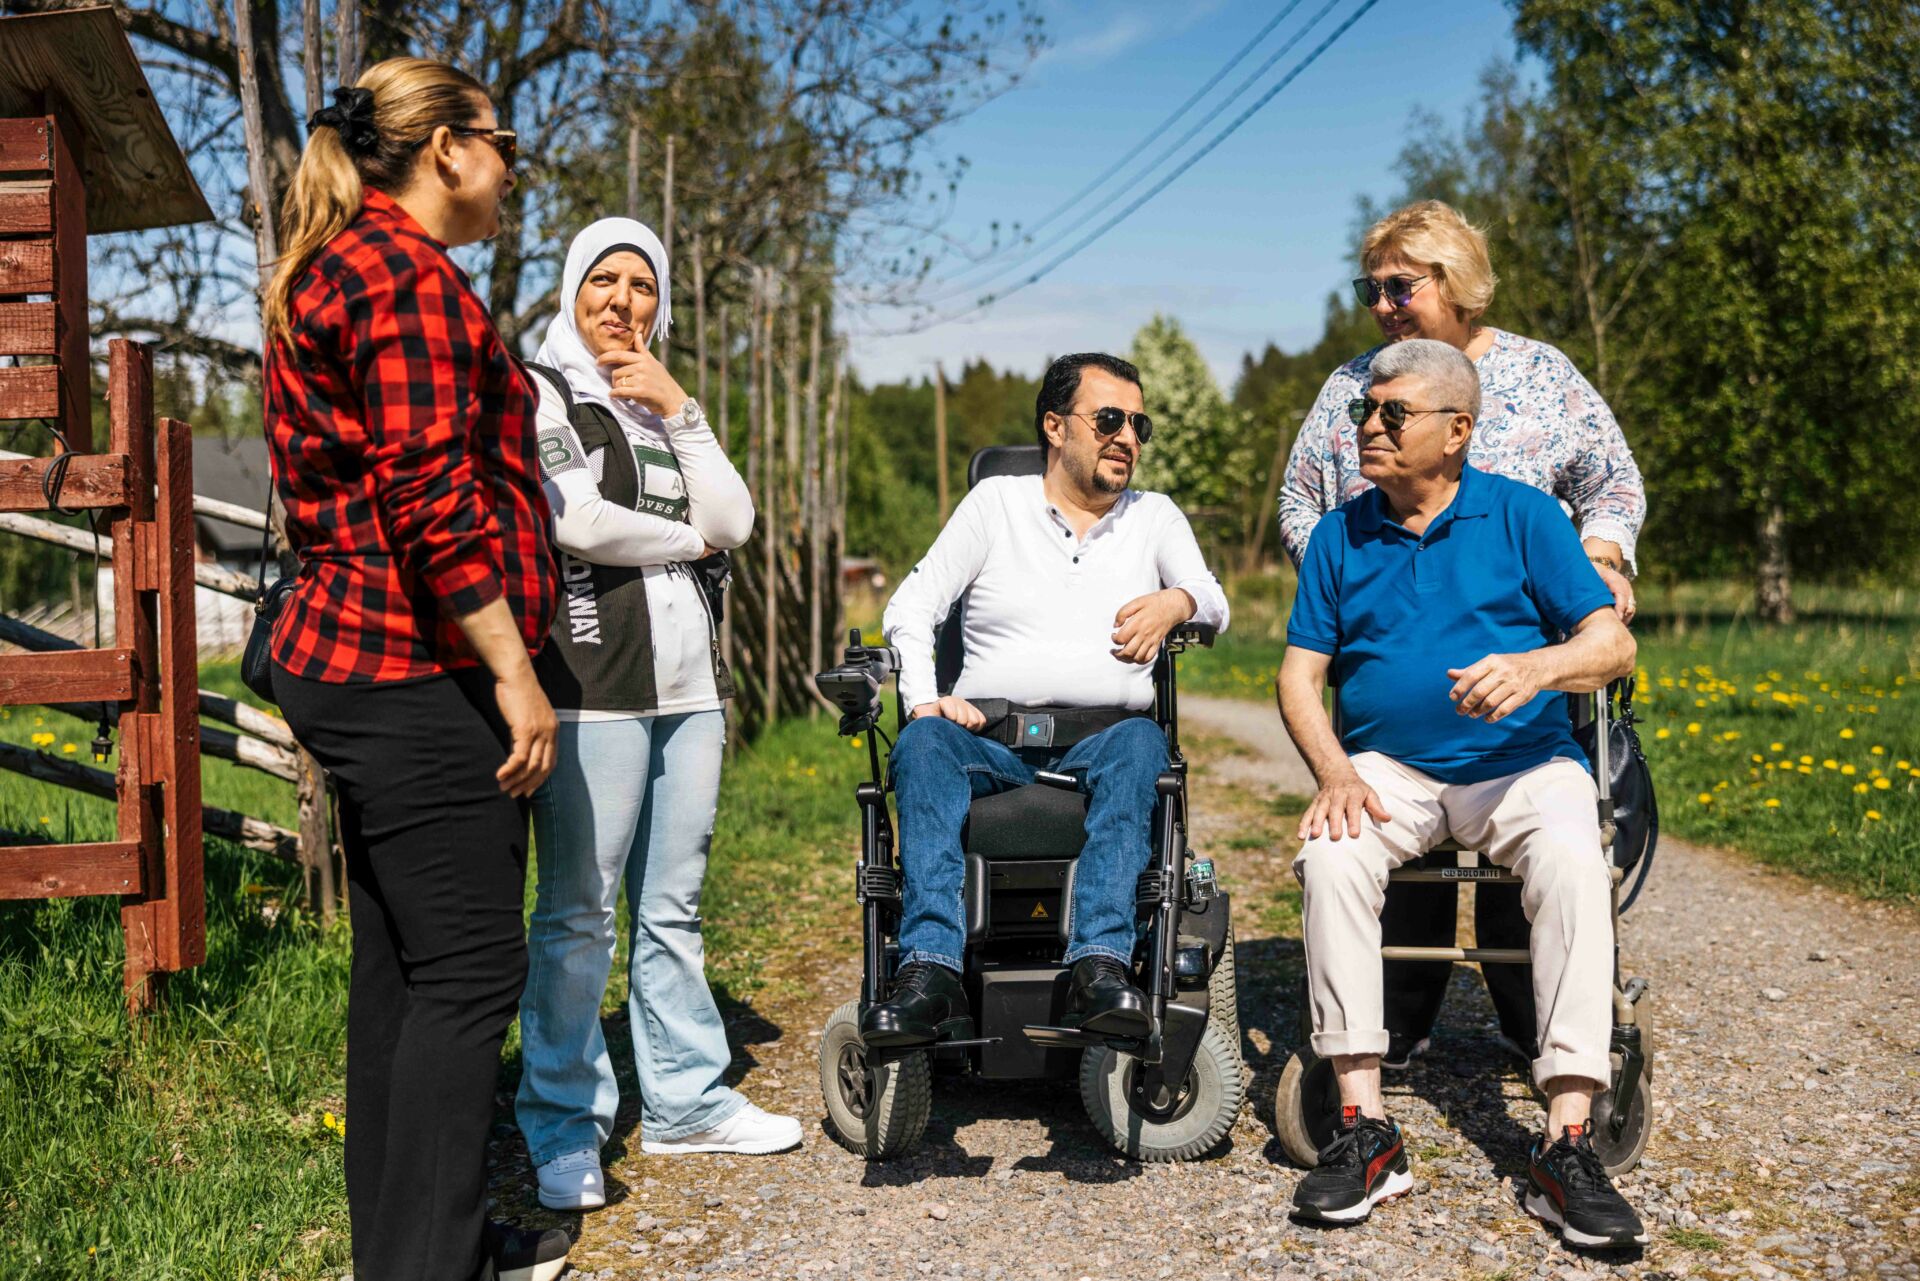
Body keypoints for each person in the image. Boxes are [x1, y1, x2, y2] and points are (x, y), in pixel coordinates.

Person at [262, 62, 569, 1281]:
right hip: (411, 664)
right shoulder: (406, 279)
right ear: (444, 150)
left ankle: (410, 1247)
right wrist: (515, 673)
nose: (510, 170)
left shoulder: (343, 264)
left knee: (403, 968)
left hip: (362, 654)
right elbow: (434, 500)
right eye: (501, 145)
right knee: (474, 971)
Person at [1277, 340, 1644, 1247]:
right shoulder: (1340, 533)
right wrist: (1335, 773)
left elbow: (1613, 647)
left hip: (1522, 764)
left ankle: (1565, 1139)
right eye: (1367, 410)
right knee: (1332, 853)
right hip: (1389, 772)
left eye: (1392, 412)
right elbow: (1297, 675)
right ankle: (1365, 1129)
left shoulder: (1524, 516)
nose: (1367, 425)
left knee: (1569, 856)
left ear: (1457, 431)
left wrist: (1537, 666)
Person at [1276, 199, 1648, 1071]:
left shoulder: (1539, 374)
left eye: (1398, 285)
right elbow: (1301, 496)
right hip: (1387, 628)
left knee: (1545, 832)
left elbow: (1612, 480)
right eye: (1369, 287)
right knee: (1395, 834)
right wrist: (1354, 571)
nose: (1380, 303)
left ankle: (1540, 1026)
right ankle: (1396, 1023)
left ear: (1456, 281)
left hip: (1533, 629)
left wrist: (1596, 554)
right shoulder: (1351, 385)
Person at [512, 217, 800, 1212]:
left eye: (641, 285)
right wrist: (689, 538)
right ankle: (562, 1122)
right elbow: (573, 521)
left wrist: (682, 408)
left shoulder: (659, 404)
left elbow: (740, 522)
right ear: (571, 289)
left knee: (671, 911)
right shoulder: (541, 389)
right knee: (578, 915)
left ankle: (684, 1104)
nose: (622, 301)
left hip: (691, 692)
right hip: (592, 685)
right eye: (604, 280)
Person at [867, 353, 1230, 1046]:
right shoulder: (995, 505)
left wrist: (1177, 600)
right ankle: (932, 970)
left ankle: (1100, 965)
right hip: (990, 737)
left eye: (1138, 423)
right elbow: (911, 606)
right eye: (1110, 419)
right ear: (1056, 426)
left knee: (1142, 743)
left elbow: (1215, 601)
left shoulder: (1154, 517)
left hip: (1105, 739)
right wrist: (923, 701)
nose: (1128, 436)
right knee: (921, 743)